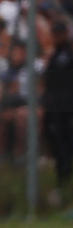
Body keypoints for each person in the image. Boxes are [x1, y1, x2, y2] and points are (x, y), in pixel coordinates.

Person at [43, 21, 73, 194]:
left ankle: (64, 180)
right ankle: (62, 180)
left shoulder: (66, 55)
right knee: (57, 142)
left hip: (65, 107)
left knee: (64, 143)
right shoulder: (56, 54)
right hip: (55, 106)